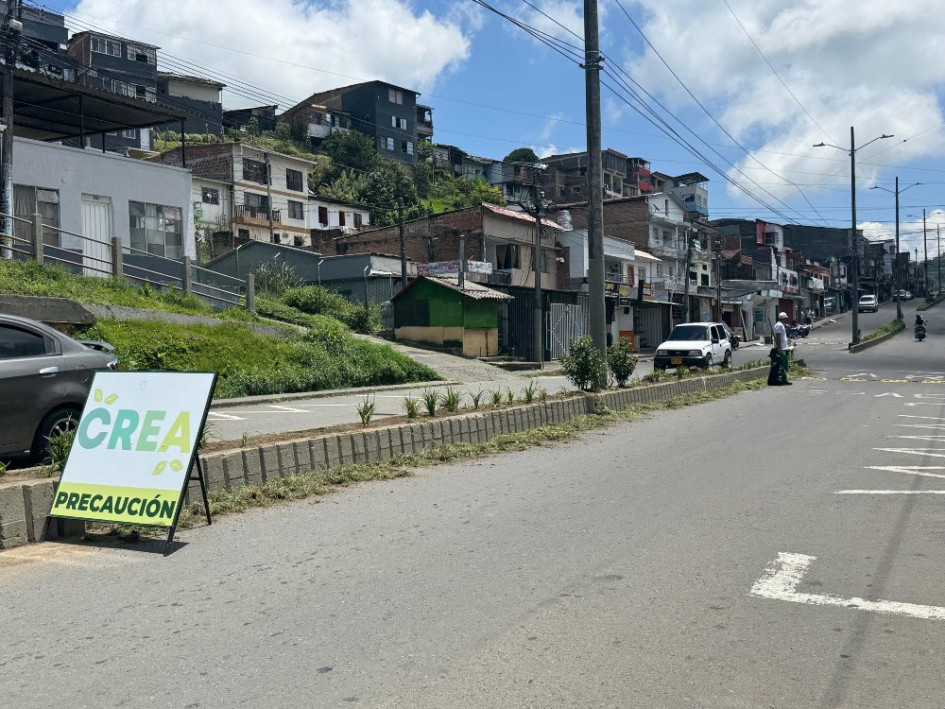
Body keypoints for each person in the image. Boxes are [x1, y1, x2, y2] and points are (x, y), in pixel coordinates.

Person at [772, 312, 791, 386]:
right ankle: (782, 379)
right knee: (783, 364)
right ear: (783, 318)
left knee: (785, 364)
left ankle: (784, 378)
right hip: (781, 348)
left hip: (784, 347)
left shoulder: (781, 325)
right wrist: (779, 347)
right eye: (786, 318)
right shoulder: (779, 325)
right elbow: (778, 337)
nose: (786, 319)